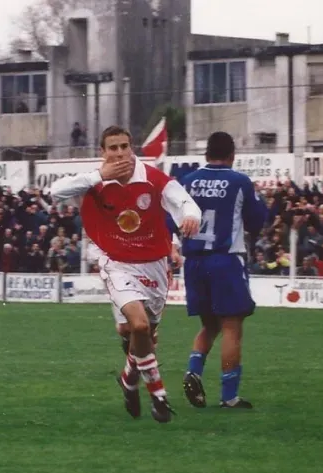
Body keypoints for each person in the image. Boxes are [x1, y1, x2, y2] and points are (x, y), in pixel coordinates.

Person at [50, 125, 201, 423]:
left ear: (132, 149)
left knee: (144, 334)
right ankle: (159, 396)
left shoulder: (152, 178)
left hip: (154, 264)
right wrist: (99, 176)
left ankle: (129, 380)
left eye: (124, 147)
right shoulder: (93, 182)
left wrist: (190, 216)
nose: (119, 153)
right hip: (116, 263)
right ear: (103, 152)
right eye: (113, 148)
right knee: (138, 327)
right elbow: (55, 192)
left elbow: (183, 201)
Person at [178, 131, 267, 410]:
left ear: (205, 154)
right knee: (232, 327)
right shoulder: (239, 181)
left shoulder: (187, 182)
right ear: (232, 156)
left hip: (194, 262)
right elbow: (255, 223)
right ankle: (229, 396)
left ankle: (193, 371)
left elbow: (173, 220)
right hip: (226, 259)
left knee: (209, 325)